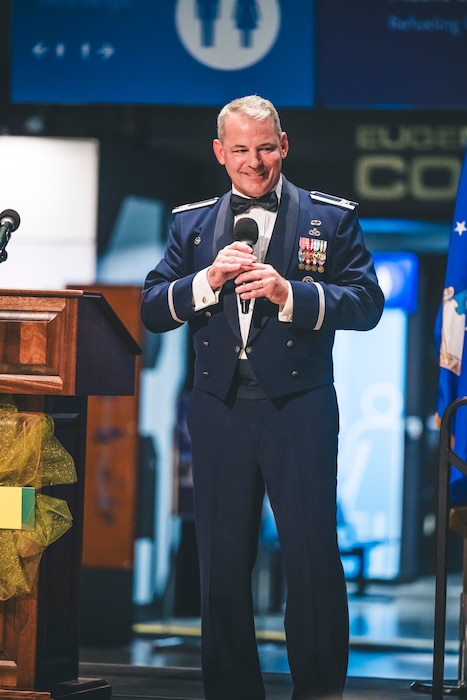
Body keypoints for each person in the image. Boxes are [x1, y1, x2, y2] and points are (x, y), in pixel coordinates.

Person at [141, 95, 385, 700]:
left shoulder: (330, 219)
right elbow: (150, 309)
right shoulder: (191, 225)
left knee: (310, 561)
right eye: (242, 150)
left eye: (266, 148)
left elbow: (369, 304)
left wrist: (291, 294)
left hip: (299, 407)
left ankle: (320, 691)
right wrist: (207, 280)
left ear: (284, 145)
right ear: (220, 154)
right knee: (221, 565)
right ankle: (230, 690)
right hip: (218, 408)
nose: (255, 162)